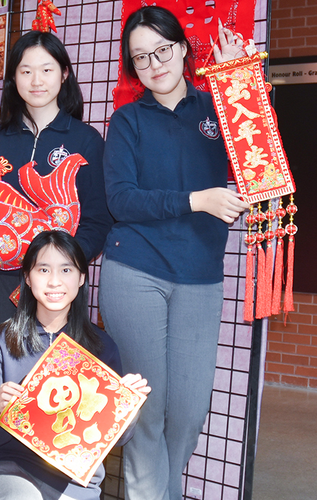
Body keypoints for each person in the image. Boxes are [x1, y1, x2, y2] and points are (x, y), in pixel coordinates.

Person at [100, 7, 248, 500]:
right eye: (141, 58)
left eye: (162, 50)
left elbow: (258, 163)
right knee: (147, 409)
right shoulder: (126, 121)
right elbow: (121, 200)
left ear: (184, 49)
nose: (154, 64)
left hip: (200, 275)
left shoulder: (215, 110)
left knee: (188, 410)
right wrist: (195, 200)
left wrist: (239, 85)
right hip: (136, 270)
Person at [0, 230, 150, 499]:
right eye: (43, 269)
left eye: (66, 270)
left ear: (82, 277)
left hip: (77, 480)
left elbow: (116, 440)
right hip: (15, 470)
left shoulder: (102, 347)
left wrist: (127, 408)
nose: (54, 281)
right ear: (27, 276)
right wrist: (0, 411)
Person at [0, 31, 111, 332]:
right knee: (3, 368)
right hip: (2, 281)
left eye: (46, 70)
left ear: (64, 74)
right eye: (26, 71)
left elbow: (98, 219)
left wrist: (62, 264)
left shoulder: (86, 140)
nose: (36, 81)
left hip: (59, 285)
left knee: (54, 371)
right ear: (13, 78)